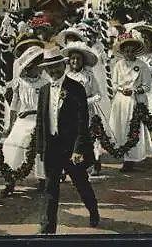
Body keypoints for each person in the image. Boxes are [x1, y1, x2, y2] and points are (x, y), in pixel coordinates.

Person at [35, 47, 100, 234]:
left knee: (81, 183)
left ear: (63, 64)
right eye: (49, 68)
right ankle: (48, 228)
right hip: (52, 147)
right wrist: (41, 149)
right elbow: (41, 121)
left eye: (56, 66)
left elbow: (82, 121)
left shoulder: (76, 88)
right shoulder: (44, 90)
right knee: (50, 187)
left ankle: (93, 210)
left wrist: (78, 149)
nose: (53, 71)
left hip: (72, 148)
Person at [62, 41, 113, 177]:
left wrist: (84, 102)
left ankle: (95, 162)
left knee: (89, 137)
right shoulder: (65, 76)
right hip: (69, 113)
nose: (75, 61)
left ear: (82, 61)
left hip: (86, 112)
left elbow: (98, 95)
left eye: (78, 59)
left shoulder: (88, 76)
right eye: (72, 58)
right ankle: (68, 166)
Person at [2, 46, 47, 194]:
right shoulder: (20, 83)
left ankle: (43, 179)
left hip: (39, 119)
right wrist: (11, 123)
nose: (31, 70)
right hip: (22, 119)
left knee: (39, 148)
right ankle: (11, 180)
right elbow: (15, 104)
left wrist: (32, 111)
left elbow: (47, 106)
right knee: (14, 145)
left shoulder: (45, 83)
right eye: (29, 67)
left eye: (36, 67)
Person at [109, 31, 152, 172]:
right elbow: (114, 84)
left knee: (133, 128)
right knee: (121, 127)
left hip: (136, 100)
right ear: (122, 52)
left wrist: (134, 91)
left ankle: (132, 158)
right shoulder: (118, 65)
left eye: (131, 51)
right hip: (121, 101)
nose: (129, 54)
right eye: (126, 51)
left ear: (136, 51)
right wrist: (122, 90)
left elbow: (147, 86)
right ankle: (124, 154)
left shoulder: (142, 66)